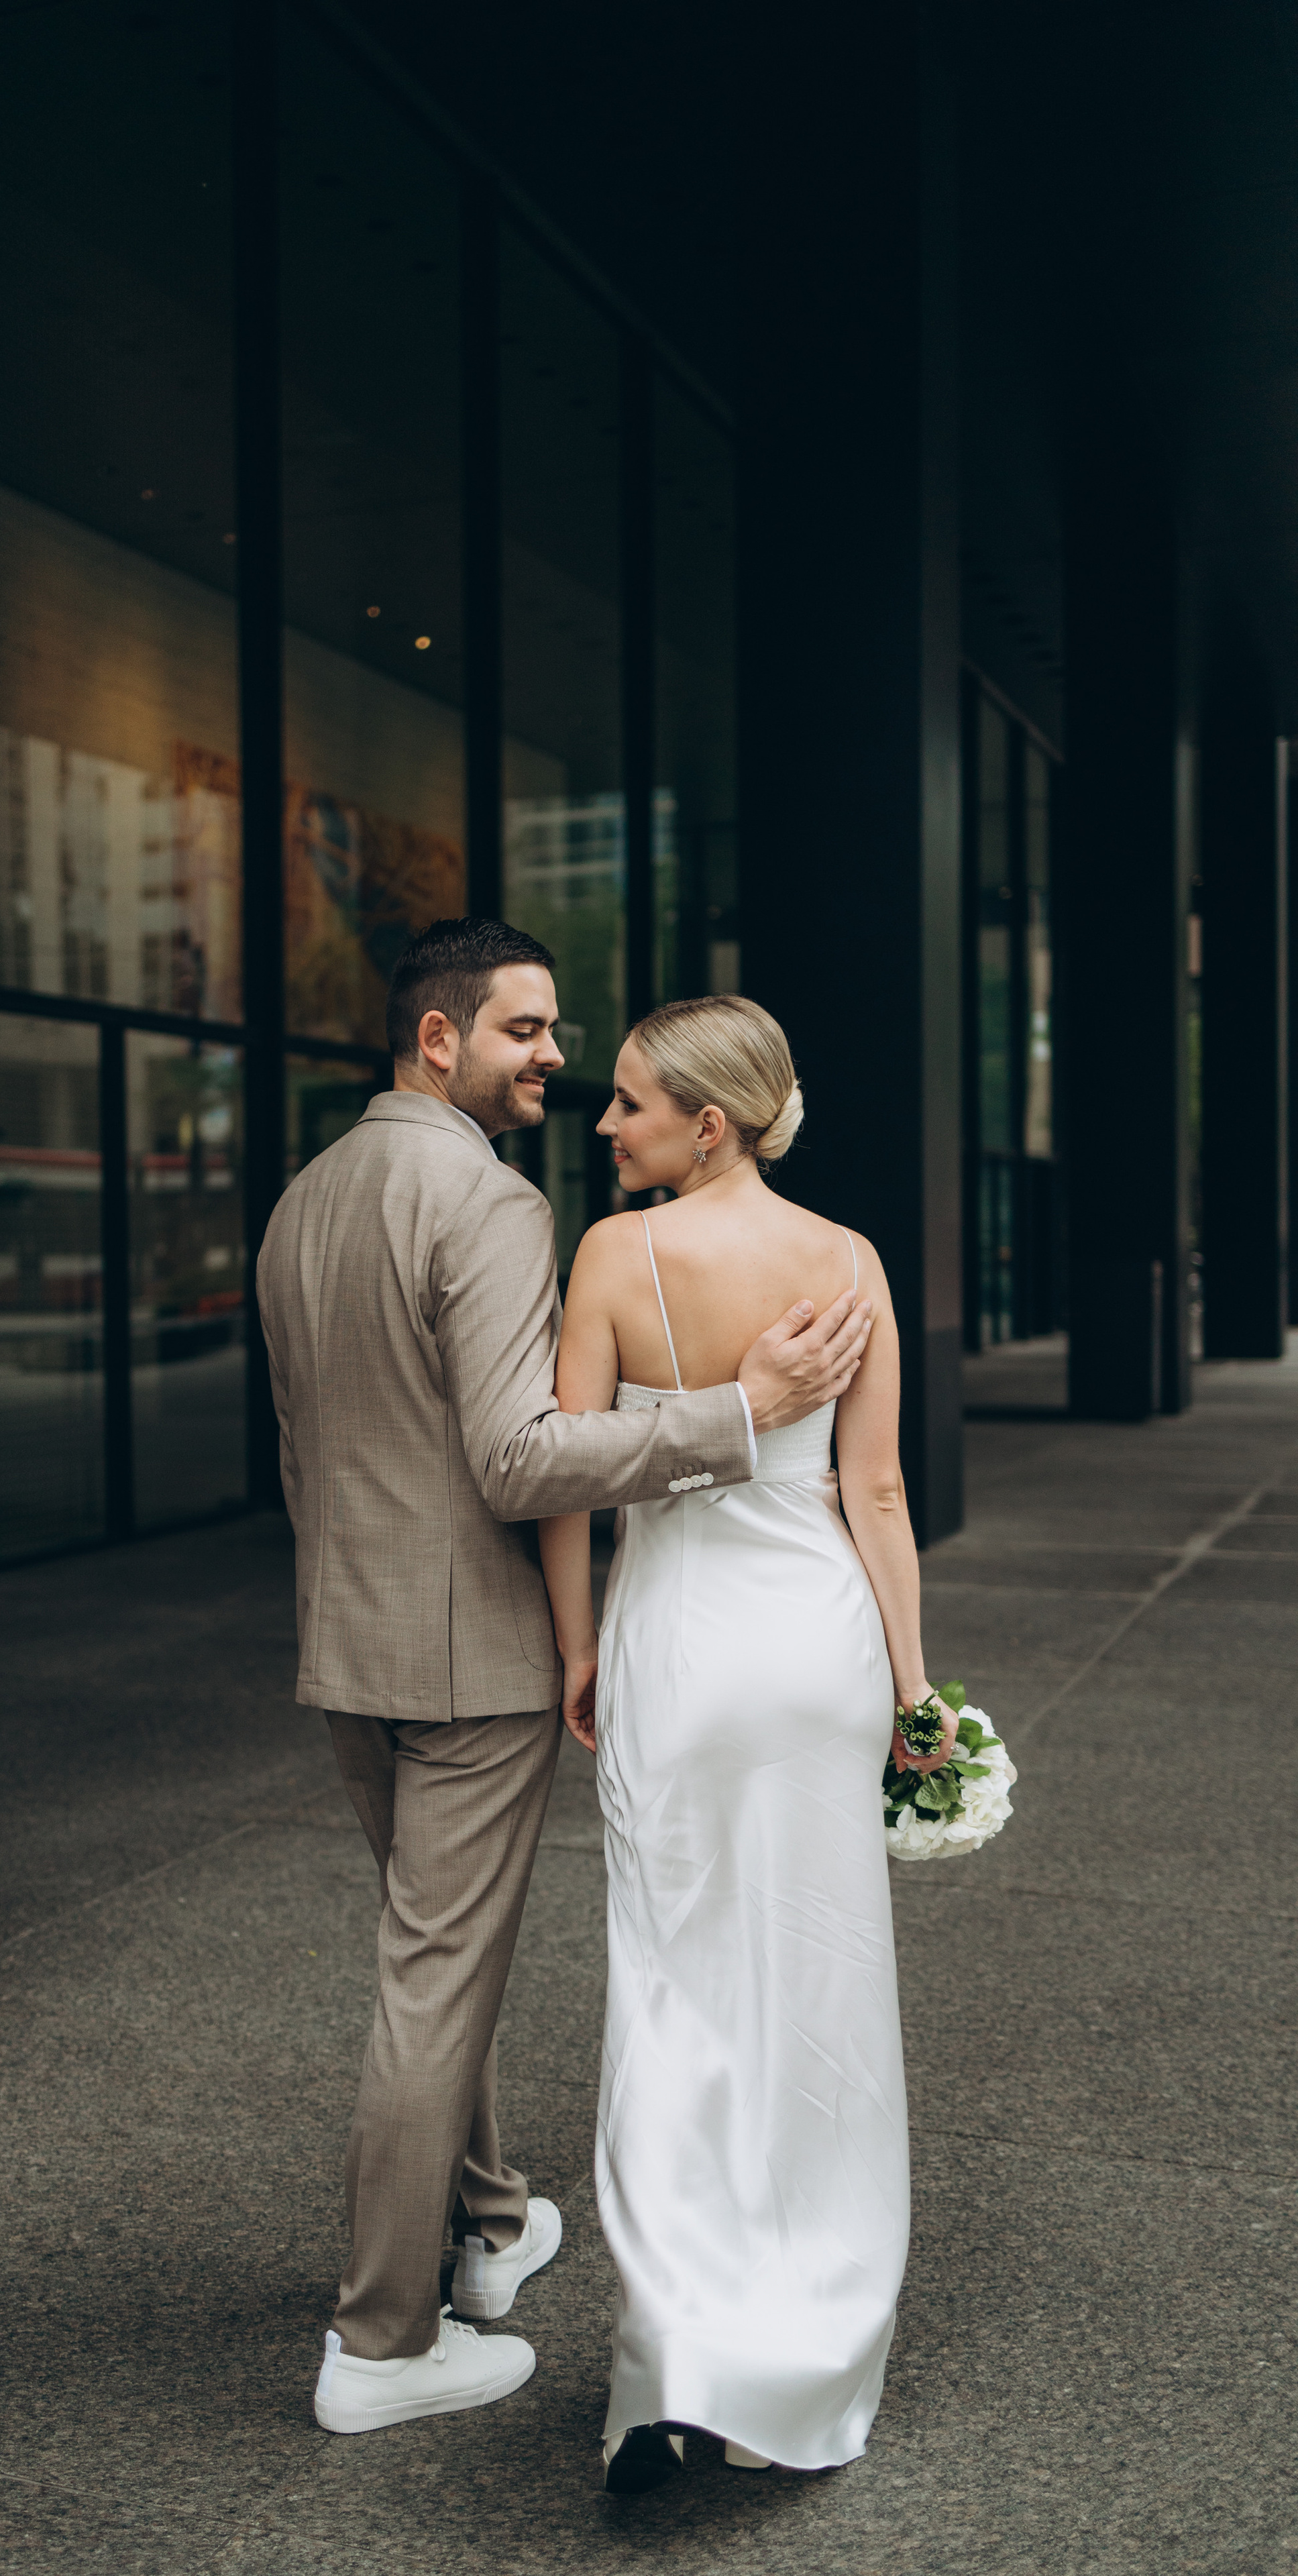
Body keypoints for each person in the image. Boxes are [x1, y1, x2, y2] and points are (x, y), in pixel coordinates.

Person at [256, 921, 875, 2437]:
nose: (552, 1061)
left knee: (425, 1958)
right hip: (468, 1659)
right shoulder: (485, 1202)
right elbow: (520, 1458)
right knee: (432, 1984)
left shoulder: (303, 1201)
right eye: (527, 1033)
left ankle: (485, 2221)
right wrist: (739, 1413)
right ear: (436, 1042)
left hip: (345, 1644)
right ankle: (382, 2346)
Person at [536, 994, 957, 2493]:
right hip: (818, 1649)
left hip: (684, 1650)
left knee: (672, 1989)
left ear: (705, 1125)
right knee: (819, 1986)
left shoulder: (609, 1259)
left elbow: (570, 1482)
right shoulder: (846, 1260)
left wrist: (579, 1647)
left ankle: (676, 2363)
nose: (604, 1122)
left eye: (631, 1102)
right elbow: (878, 1496)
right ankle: (811, 2337)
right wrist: (913, 1694)